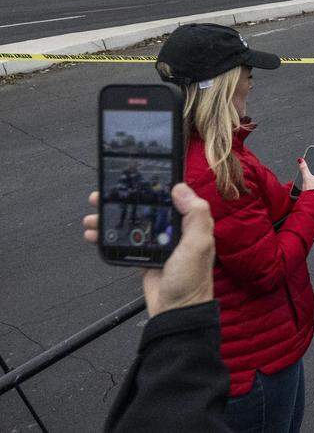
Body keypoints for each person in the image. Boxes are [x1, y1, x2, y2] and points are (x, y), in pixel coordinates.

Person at [155, 23, 314, 432]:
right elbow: (268, 267)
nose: (252, 82)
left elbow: (251, 216)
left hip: (260, 349)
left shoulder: (213, 151)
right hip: (253, 368)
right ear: (226, 84)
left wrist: (308, 192)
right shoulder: (215, 170)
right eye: (247, 72)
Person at [83, 183, 230, 432]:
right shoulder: (219, 177)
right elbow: (265, 269)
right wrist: (313, 199)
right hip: (251, 356)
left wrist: (177, 316)